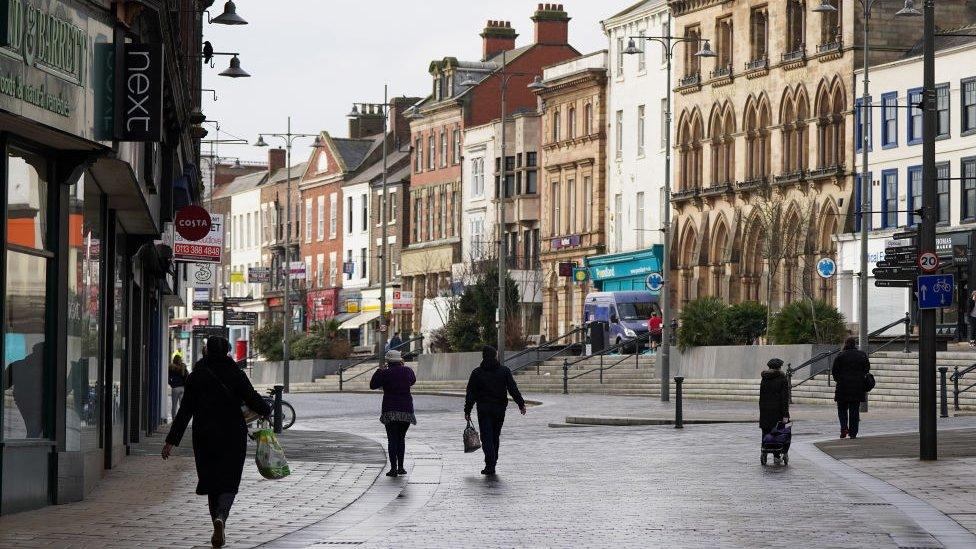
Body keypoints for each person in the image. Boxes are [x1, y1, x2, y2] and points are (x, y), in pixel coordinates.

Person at [162, 336, 270, 548]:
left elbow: (185, 412)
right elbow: (252, 398)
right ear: (227, 352)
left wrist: (171, 441)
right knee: (229, 480)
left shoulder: (196, 376)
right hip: (232, 435)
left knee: (212, 482)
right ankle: (222, 516)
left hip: (204, 436)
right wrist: (267, 409)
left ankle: (216, 522)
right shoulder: (236, 374)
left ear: (206, 352)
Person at [464, 345, 526, 475]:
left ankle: (490, 464)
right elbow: (512, 389)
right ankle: (493, 461)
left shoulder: (477, 373)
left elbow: (471, 393)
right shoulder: (504, 371)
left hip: (484, 409)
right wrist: (521, 404)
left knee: (486, 437)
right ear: (494, 356)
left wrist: (467, 410)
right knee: (495, 436)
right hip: (499, 409)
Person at [369, 349, 416, 477]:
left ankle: (393, 469)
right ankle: (401, 467)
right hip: (406, 410)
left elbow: (373, 385)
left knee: (392, 439)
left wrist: (379, 370)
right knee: (401, 438)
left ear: (388, 361)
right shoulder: (408, 371)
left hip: (390, 410)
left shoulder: (385, 373)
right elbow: (412, 381)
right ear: (399, 360)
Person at [832, 336, 870, 439]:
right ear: (855, 344)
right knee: (854, 410)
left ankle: (844, 428)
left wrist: (839, 380)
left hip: (842, 387)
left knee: (842, 409)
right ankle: (853, 432)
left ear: (845, 344)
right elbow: (867, 369)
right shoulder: (861, 355)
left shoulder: (840, 356)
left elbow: (834, 371)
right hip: (857, 388)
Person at [759, 358, 790, 459]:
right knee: (781, 432)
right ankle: (779, 454)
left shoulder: (764, 378)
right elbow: (784, 399)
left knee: (766, 433)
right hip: (779, 412)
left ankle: (764, 451)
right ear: (779, 367)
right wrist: (786, 414)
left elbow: (762, 397)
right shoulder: (782, 379)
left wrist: (762, 411)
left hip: (765, 412)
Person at [168, 355, 189, 421]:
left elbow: (168, 377)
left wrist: (171, 384)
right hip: (182, 388)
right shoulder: (183, 366)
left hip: (175, 388)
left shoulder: (171, 367)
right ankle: (182, 419)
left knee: (174, 405)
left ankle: (174, 419)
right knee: (182, 405)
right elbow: (187, 376)